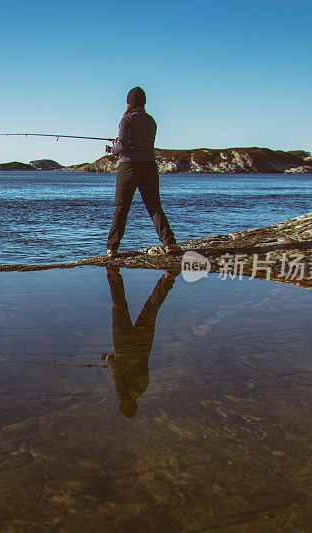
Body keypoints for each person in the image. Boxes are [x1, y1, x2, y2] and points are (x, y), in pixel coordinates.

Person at [106, 86, 180, 257]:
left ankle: (112, 248)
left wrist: (112, 149)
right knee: (155, 207)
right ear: (144, 102)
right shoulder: (151, 120)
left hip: (129, 168)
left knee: (121, 208)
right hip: (149, 167)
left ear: (128, 102)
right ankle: (170, 243)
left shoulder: (126, 120)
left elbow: (122, 146)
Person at [103, 267, 178, 418]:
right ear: (124, 405)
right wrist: (109, 360)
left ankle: (168, 277)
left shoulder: (143, 387)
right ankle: (112, 270)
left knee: (152, 307)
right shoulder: (122, 393)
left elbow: (138, 366)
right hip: (123, 343)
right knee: (119, 304)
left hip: (144, 343)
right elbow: (117, 372)